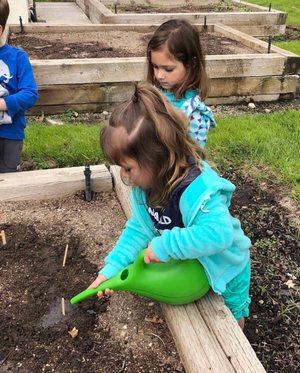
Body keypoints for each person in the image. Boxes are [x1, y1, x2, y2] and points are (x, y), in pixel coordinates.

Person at [89, 82, 251, 328]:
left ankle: (239, 346)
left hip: (226, 265)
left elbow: (220, 234)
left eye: (128, 167)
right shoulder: (145, 188)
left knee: (232, 312)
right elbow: (139, 228)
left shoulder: (197, 190)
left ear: (158, 158)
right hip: (194, 264)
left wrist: (165, 245)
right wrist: (113, 266)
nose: (124, 176)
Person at [146, 18, 216, 148]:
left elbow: (193, 159)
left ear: (191, 64)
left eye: (168, 69)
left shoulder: (194, 114)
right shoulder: (157, 93)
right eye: (155, 66)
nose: (159, 75)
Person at [0, 0, 38, 173]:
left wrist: (2, 104)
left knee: (8, 180)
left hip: (10, 135)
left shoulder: (17, 58)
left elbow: (30, 94)